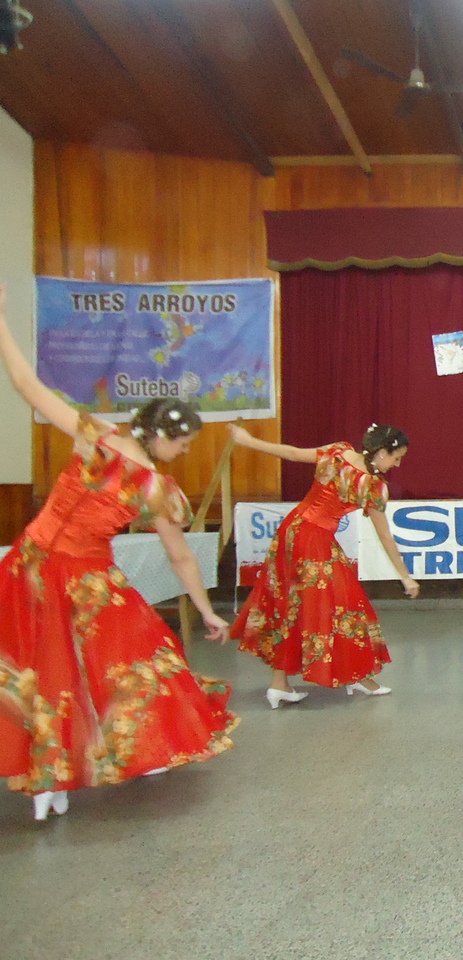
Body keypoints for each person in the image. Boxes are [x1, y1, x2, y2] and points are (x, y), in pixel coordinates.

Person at [0, 283, 238, 822]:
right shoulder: (134, 468)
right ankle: (65, 775)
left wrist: (204, 609)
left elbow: (23, 382)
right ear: (159, 436)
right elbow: (179, 559)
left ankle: (68, 777)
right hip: (69, 575)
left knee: (78, 662)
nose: (185, 452)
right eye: (183, 443)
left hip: (39, 565)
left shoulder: (107, 447)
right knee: (82, 665)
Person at [229, 423, 419, 706]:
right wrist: (405, 577)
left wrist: (249, 441)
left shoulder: (337, 452)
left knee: (291, 602)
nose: (397, 463)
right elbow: (384, 536)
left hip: (291, 530)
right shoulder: (373, 486)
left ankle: (280, 683)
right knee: (346, 607)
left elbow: (292, 453)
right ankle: (357, 675)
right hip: (314, 541)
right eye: (396, 457)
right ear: (381, 452)